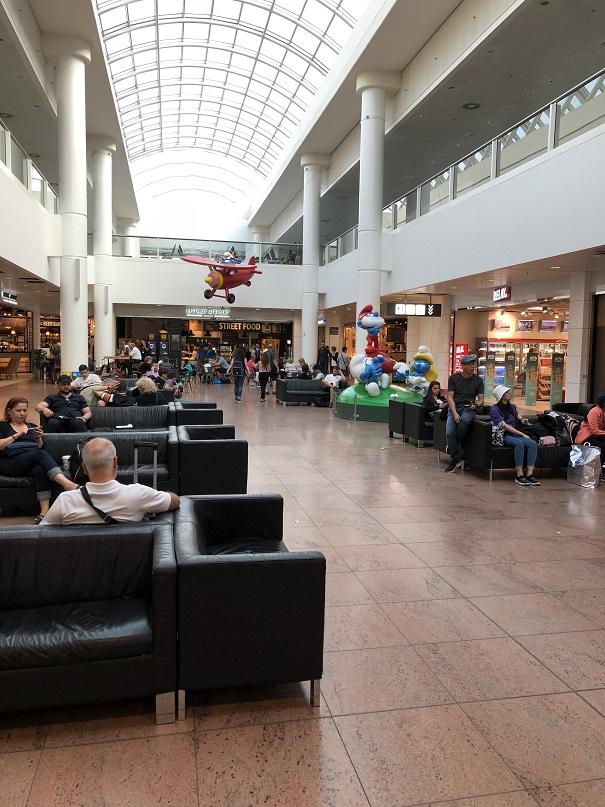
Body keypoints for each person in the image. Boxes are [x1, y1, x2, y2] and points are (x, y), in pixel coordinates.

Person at [41, 437, 179, 525]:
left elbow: (43, 533)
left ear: (84, 468)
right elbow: (174, 501)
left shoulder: (65, 501)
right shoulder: (139, 494)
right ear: (115, 462)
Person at [0, 397, 79, 523]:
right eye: (18, 410)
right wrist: (17, 435)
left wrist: (38, 438)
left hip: (28, 461)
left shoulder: (31, 426)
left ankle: (44, 512)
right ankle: (67, 484)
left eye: (24, 410)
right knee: (40, 454)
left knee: (40, 469)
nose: (22, 413)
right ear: (9, 411)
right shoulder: (3, 426)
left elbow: (39, 447)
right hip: (9, 463)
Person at [490, 385, 540, 486]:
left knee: (532, 443)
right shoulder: (494, 409)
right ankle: (519, 475)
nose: (509, 393)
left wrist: (522, 419)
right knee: (519, 443)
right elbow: (505, 426)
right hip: (504, 435)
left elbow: (517, 415)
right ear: (501, 396)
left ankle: (529, 475)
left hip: (514, 434)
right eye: (507, 392)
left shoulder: (512, 407)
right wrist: (522, 434)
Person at [445, 355, 484, 473]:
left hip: (469, 408)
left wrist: (475, 405)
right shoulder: (453, 378)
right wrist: (454, 413)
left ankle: (453, 446)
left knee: (465, 420)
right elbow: (450, 397)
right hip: (455, 407)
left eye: (473, 364)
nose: (473, 366)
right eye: (470, 364)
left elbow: (481, 400)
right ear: (463, 366)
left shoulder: (478, 380)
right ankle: (456, 456)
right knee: (449, 432)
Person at [575, 393, 605, 479]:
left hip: (598, 436)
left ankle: (602, 470)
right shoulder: (594, 412)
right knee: (602, 447)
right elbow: (594, 431)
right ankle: (600, 471)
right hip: (587, 437)